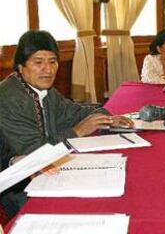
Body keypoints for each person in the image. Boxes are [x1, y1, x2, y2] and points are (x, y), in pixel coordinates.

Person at [0, 31, 133, 156]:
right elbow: (33, 151)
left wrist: (107, 119)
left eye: (52, 62)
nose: (48, 70)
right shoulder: (7, 98)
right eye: (38, 62)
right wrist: (78, 131)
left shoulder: (46, 91)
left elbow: (76, 113)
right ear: (20, 67)